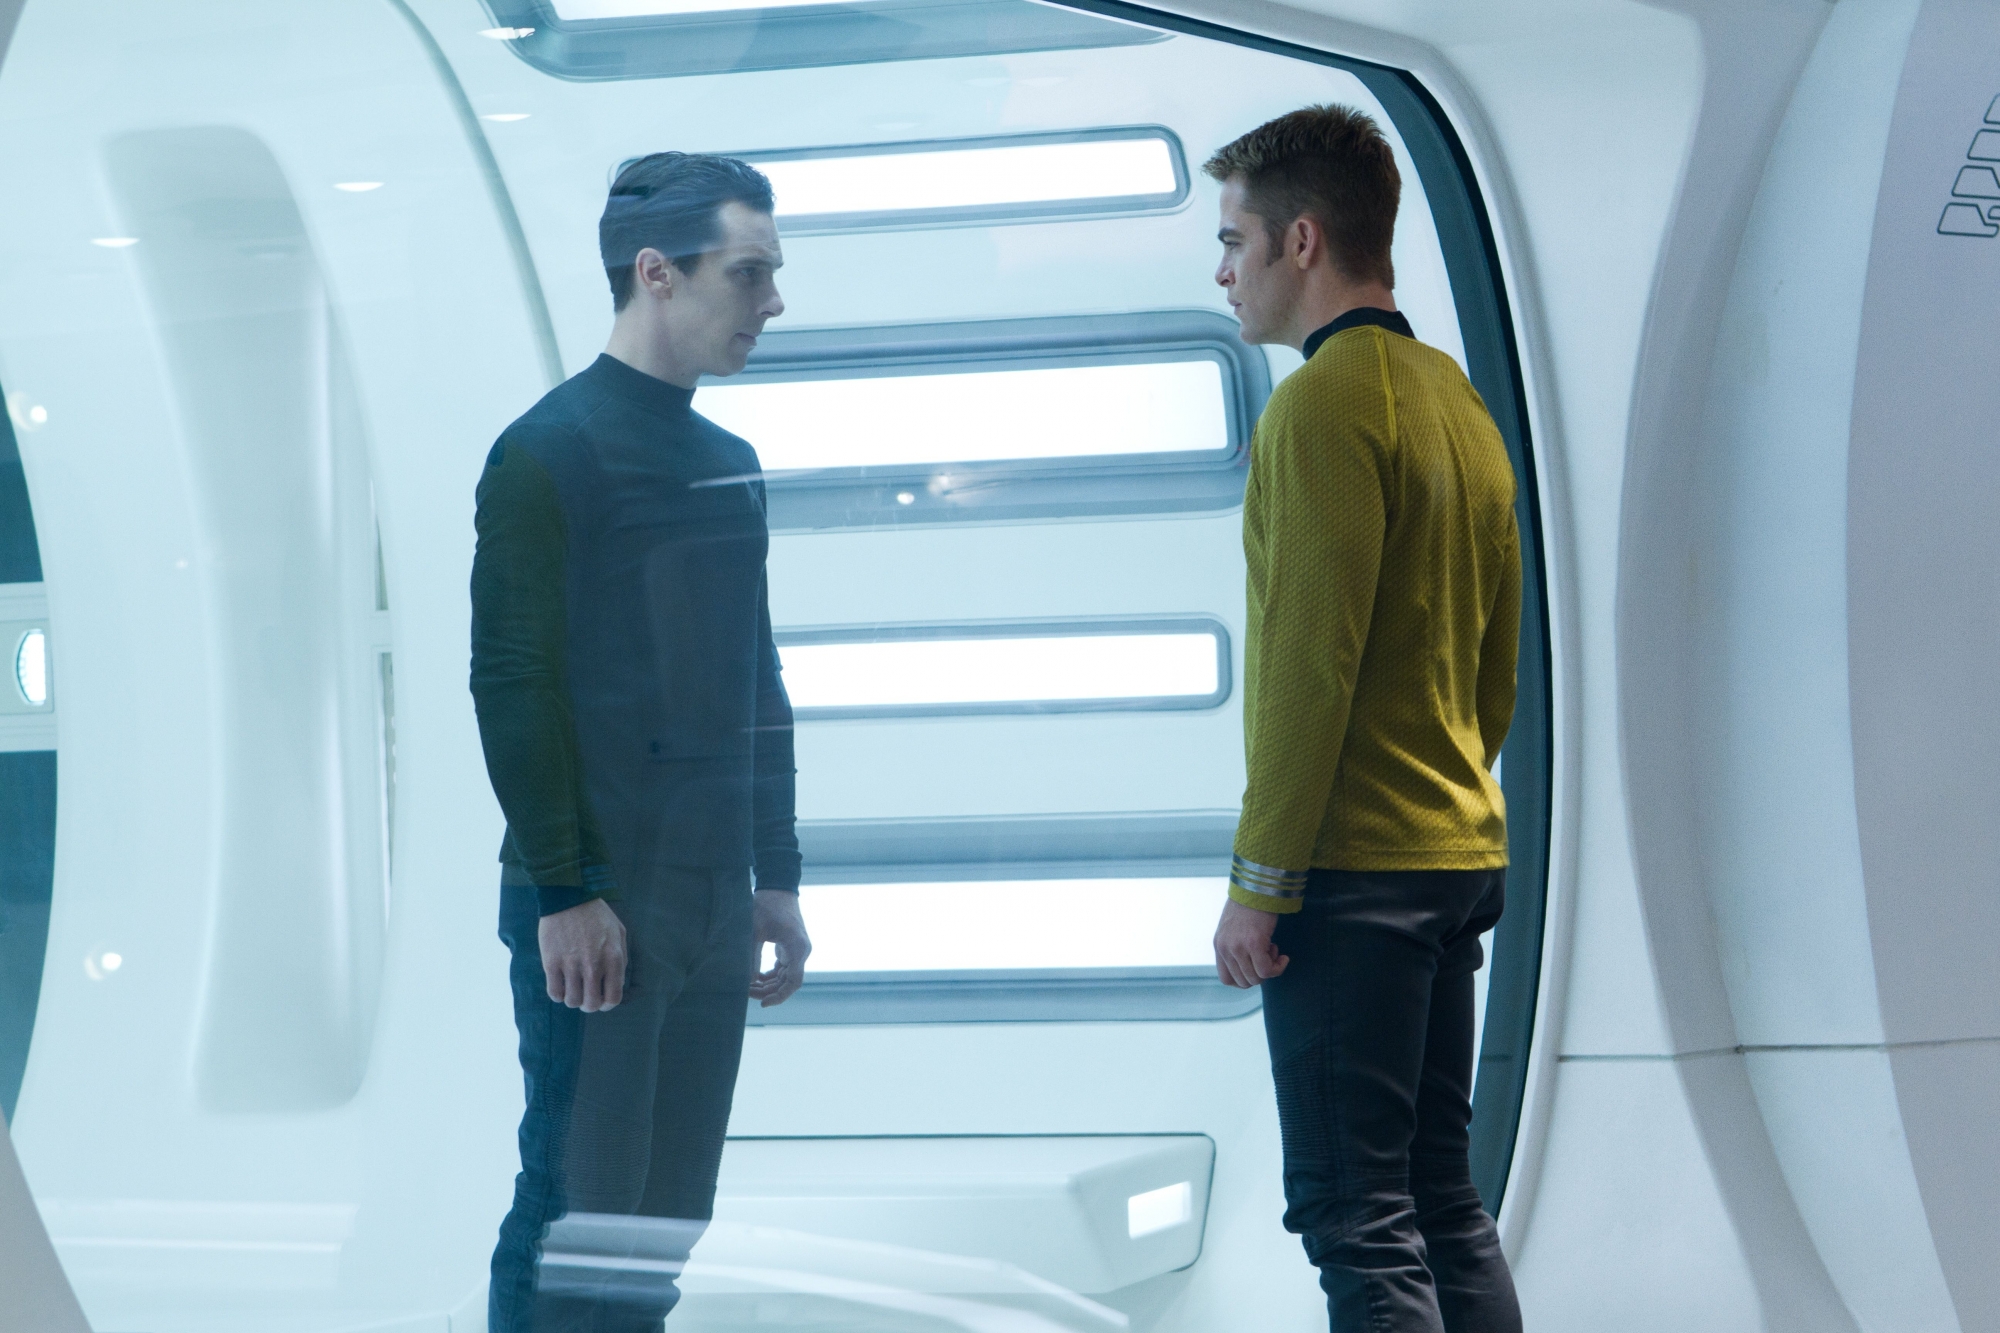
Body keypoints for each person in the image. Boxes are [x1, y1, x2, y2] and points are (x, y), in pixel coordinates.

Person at [469, 151, 813, 1332]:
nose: (773, 300)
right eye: (750, 272)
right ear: (657, 272)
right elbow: (513, 686)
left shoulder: (729, 467)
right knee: (576, 1210)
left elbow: (753, 680)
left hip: (708, 896)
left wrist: (777, 875)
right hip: (601, 902)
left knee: (662, 1225)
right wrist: (568, 890)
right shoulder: (547, 452)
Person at [1204, 106, 1525, 1332]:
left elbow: (1306, 669)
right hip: (1453, 854)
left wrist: (1259, 880)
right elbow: (1493, 665)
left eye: (1232, 240)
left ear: (1300, 241)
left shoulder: (1320, 406)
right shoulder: (1451, 398)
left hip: (1350, 875)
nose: (1222, 272)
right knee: (1439, 1200)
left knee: (1355, 1213)